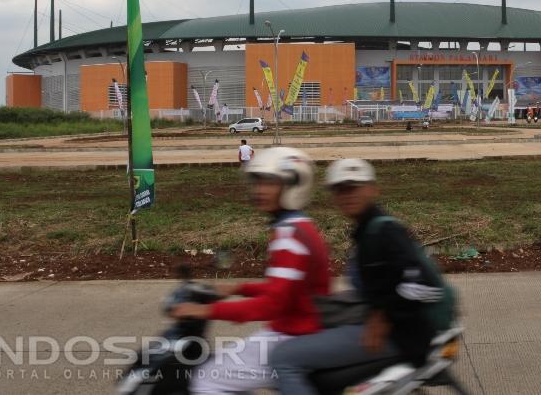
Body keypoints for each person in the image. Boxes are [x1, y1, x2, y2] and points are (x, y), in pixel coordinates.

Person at [272, 158, 450, 395]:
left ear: (373, 189)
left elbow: (425, 285)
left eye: (354, 187)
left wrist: (383, 317)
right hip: (390, 327)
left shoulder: (384, 231)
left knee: (284, 357)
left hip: (400, 333)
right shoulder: (366, 230)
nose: (347, 195)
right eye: (340, 189)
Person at [170, 147, 330, 394]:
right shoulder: (300, 227)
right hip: (297, 329)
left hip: (294, 335)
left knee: (206, 378)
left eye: (269, 183)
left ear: (293, 185)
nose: (259, 191)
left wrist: (205, 310)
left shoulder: (289, 237)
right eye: (257, 183)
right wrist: (238, 287)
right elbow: (286, 289)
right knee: (227, 363)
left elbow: (271, 305)